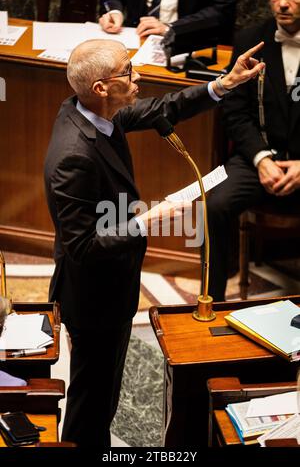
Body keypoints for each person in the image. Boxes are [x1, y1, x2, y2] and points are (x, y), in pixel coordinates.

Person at [44, 37, 264, 447]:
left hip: (113, 286)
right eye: (128, 71)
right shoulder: (73, 155)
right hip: (93, 298)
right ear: (101, 88)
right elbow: (83, 247)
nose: (138, 75)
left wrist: (225, 83)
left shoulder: (90, 113)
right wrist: (146, 221)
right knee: (90, 404)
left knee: (101, 398)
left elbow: (165, 108)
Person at [207, 0, 300, 302]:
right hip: (257, 157)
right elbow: (235, 111)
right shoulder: (250, 40)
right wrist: (261, 159)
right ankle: (213, 303)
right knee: (215, 205)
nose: (283, 4)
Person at [99, 0, 236, 44]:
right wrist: (114, 11)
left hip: (189, 40)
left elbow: (222, 10)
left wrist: (170, 28)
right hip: (134, 38)